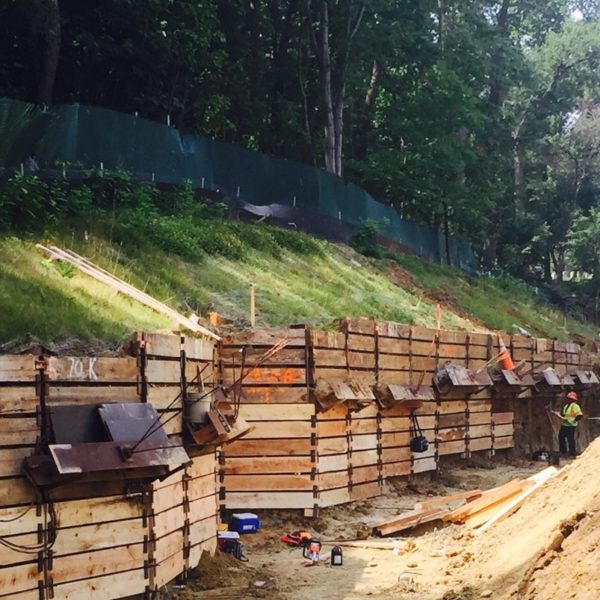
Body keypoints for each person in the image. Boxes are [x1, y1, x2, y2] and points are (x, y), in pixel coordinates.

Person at [558, 391, 583, 457]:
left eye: (569, 398)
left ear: (573, 399)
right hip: (565, 424)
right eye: (567, 398)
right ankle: (563, 451)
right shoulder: (566, 406)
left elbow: (579, 415)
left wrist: (574, 421)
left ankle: (572, 452)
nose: (567, 399)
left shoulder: (575, 406)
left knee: (570, 439)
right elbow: (564, 414)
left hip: (571, 425)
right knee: (561, 437)